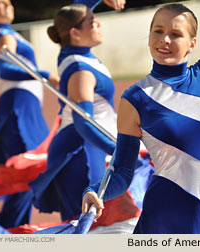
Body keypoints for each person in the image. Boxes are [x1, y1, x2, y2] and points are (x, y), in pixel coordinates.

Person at [82, 0, 200, 234]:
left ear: (192, 43)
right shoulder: (135, 98)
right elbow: (122, 170)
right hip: (167, 214)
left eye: (176, 34)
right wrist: (94, 190)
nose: (165, 40)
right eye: (158, 31)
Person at [0, 0, 59, 228]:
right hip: (19, 109)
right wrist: (46, 75)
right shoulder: (2, 34)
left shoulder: (6, 33)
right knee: (28, 172)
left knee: (27, 173)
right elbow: (6, 69)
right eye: (0, 3)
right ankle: (1, 232)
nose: (8, 6)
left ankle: (1, 231)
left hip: (24, 107)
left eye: (8, 2)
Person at [29, 3, 117, 222]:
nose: (98, 24)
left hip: (88, 147)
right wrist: (120, 151)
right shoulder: (80, 69)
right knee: (83, 226)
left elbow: (79, 8)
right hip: (79, 151)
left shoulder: (74, 52)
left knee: (92, 226)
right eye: (92, 22)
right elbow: (83, 123)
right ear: (75, 33)